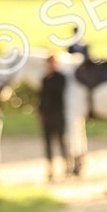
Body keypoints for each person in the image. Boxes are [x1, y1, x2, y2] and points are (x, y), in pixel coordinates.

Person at [38, 54, 68, 182]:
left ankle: (66, 166)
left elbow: (56, 95)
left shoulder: (60, 78)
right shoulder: (45, 79)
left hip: (57, 114)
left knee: (61, 141)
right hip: (47, 115)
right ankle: (50, 169)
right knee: (48, 143)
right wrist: (40, 111)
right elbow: (42, 97)